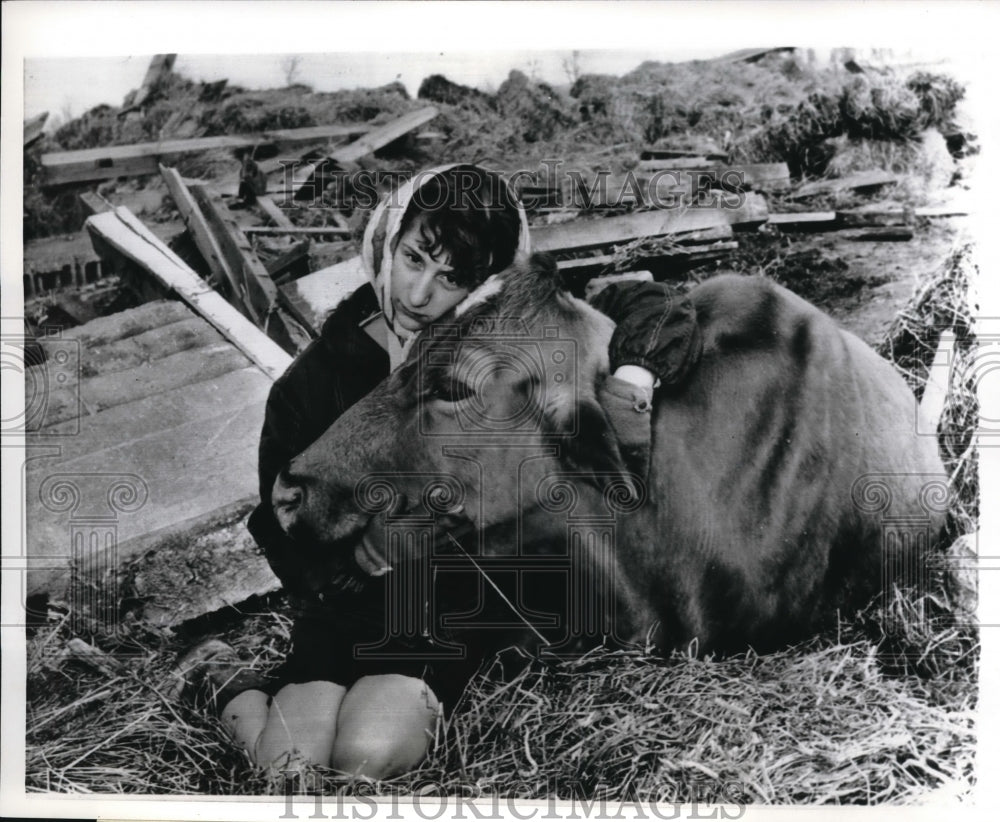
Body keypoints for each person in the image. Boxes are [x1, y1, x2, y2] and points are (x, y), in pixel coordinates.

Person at [170, 164, 702, 778]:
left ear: (489, 280)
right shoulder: (309, 385)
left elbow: (655, 304)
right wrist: (364, 556)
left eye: (454, 277)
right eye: (414, 259)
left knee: (363, 757)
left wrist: (633, 379)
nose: (420, 294)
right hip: (340, 618)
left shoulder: (499, 339)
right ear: (386, 242)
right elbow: (281, 527)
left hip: (447, 618)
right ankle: (226, 682)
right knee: (289, 770)